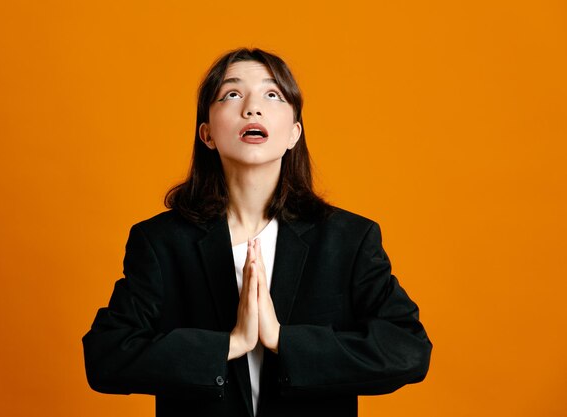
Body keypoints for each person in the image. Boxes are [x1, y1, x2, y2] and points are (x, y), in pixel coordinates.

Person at [82, 48, 432, 417]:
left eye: (272, 95)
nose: (252, 108)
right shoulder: (161, 242)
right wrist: (229, 344)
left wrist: (282, 340)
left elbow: (408, 349)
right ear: (207, 133)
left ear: (294, 133)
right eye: (232, 94)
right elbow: (106, 355)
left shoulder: (349, 239)